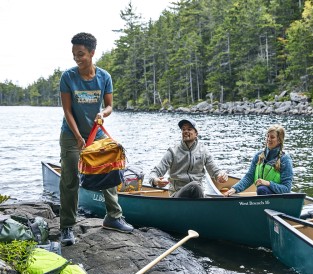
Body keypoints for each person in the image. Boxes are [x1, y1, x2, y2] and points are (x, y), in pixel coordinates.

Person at [59, 32, 133, 246]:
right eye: (74, 54)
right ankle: (66, 227)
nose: (76, 58)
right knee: (70, 180)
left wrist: (104, 114)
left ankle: (113, 217)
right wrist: (78, 137)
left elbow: (109, 105)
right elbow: (67, 111)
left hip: (97, 133)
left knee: (108, 172)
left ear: (92, 53)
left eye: (81, 54)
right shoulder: (68, 77)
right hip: (71, 134)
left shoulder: (104, 77)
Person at [148, 119, 228, 198]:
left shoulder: (203, 151)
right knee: (195, 185)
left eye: (189, 129)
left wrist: (221, 175)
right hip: (177, 196)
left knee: (212, 197)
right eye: (183, 129)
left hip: (198, 194)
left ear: (196, 133)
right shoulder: (172, 151)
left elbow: (215, 171)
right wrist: (155, 181)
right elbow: (154, 173)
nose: (185, 131)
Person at [223, 124, 293, 196]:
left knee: (261, 189)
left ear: (279, 140)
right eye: (268, 136)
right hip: (261, 194)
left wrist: (268, 183)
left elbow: (287, 189)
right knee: (261, 189)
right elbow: (249, 177)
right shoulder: (258, 156)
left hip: (277, 197)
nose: (268, 139)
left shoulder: (285, 160)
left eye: (272, 137)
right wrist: (234, 189)